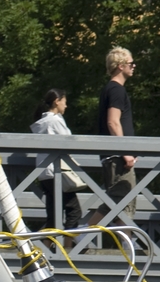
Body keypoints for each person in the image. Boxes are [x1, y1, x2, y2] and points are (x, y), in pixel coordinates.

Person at [87, 47, 137, 236]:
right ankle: (82, 235)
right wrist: (126, 152)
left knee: (120, 201)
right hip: (117, 156)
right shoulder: (116, 90)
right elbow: (113, 121)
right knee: (119, 198)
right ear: (120, 66)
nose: (134, 67)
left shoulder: (110, 89)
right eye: (131, 63)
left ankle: (127, 243)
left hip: (114, 155)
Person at [30, 88, 84, 236]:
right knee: (74, 211)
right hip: (56, 172)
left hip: (44, 173)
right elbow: (69, 143)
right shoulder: (54, 121)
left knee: (54, 214)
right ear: (57, 102)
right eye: (64, 102)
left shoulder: (41, 122)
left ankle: (49, 245)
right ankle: (68, 246)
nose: (66, 106)